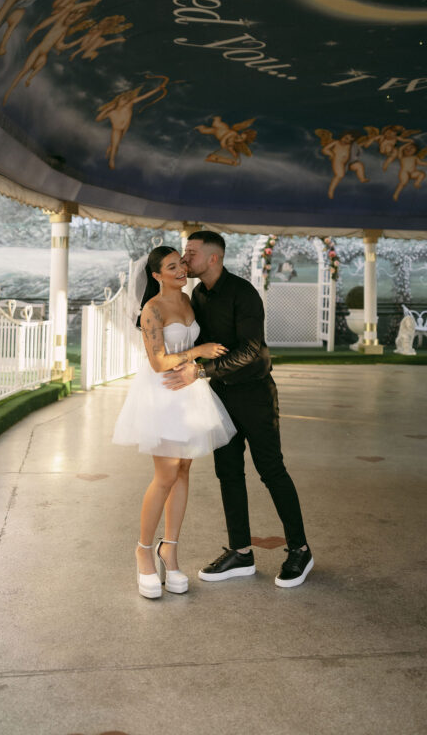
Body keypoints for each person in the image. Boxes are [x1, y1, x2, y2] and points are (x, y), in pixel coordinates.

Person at [164, 231, 313, 588]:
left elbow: (251, 350)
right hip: (219, 396)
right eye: (185, 253)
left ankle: (300, 550)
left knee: (271, 470)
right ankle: (241, 552)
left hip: (255, 394)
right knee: (228, 473)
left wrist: (199, 371)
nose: (186, 259)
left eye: (192, 253)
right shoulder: (197, 294)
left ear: (214, 258)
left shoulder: (243, 293)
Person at [112, 246, 235, 599]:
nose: (181, 269)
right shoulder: (152, 310)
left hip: (188, 394)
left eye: (181, 263)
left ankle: (171, 550)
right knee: (165, 474)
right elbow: (158, 362)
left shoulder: (190, 300)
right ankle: (144, 551)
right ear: (156, 275)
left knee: (183, 470)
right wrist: (199, 351)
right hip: (162, 394)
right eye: (171, 266)